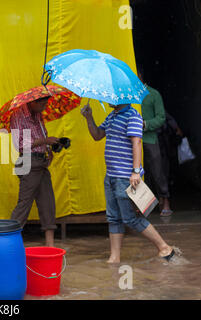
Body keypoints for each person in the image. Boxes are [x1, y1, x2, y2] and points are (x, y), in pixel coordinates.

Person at [81, 101, 175, 263]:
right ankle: (115, 257)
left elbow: (136, 142)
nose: (108, 98)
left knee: (130, 218)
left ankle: (164, 247)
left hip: (126, 177)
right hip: (111, 176)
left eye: (112, 95)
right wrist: (88, 117)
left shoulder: (132, 116)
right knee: (113, 218)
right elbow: (97, 136)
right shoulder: (112, 116)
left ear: (121, 97)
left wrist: (136, 171)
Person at [9, 97, 58, 247]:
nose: (45, 106)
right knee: (24, 204)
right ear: (33, 102)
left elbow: (43, 136)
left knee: (47, 203)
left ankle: (50, 246)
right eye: (42, 103)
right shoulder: (18, 116)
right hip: (28, 162)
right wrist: (45, 142)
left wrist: (50, 148)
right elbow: (20, 145)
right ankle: (9, 241)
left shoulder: (38, 115)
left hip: (41, 161)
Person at [138, 71, 172, 216]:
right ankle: (142, 205)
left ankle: (165, 200)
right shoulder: (126, 96)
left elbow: (161, 118)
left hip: (150, 139)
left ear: (140, 76)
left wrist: (145, 124)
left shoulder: (153, 94)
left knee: (157, 171)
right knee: (136, 173)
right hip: (132, 141)